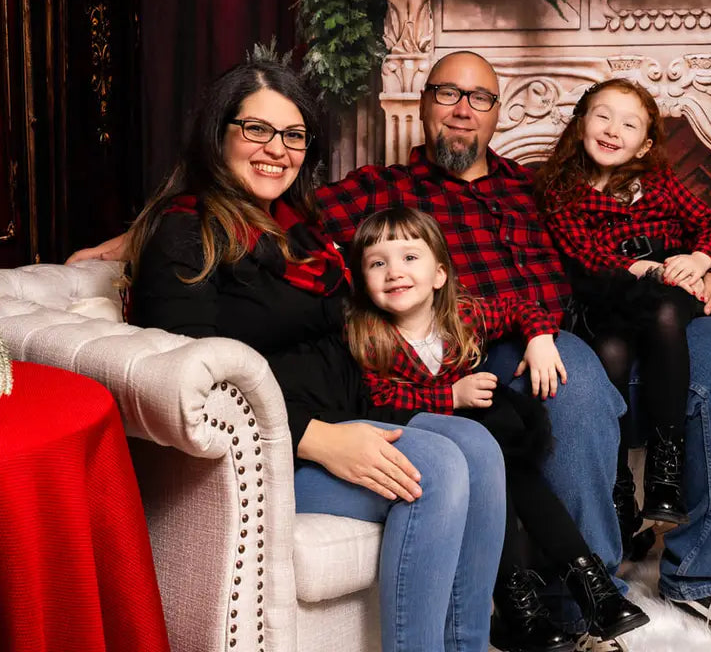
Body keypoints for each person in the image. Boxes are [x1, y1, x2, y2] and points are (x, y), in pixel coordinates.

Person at [71, 51, 711, 649]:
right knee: (563, 381)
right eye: (449, 93)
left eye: (481, 97)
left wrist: (710, 262)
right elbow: (228, 226)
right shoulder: (380, 192)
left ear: (499, 112)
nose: (464, 109)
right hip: (488, 345)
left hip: (598, 320)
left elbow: (617, 233)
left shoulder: (536, 187)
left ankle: (705, 577)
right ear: (425, 106)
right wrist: (126, 244)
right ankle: (578, 604)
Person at [127, 61, 506, 652]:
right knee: (437, 469)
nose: (277, 149)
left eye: (294, 135)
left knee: (479, 448)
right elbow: (181, 379)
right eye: (256, 130)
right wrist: (314, 438)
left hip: (350, 411)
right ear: (217, 132)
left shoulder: (298, 229)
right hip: (269, 457)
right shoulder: (187, 233)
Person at [346, 206, 649, 651]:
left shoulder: (463, 317)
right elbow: (378, 401)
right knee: (495, 462)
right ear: (364, 280)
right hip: (425, 444)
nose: (395, 272)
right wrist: (450, 397)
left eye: (410, 258)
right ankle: (524, 604)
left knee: (510, 463)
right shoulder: (368, 337)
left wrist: (539, 339)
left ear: (439, 274)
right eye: (378, 263)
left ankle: (591, 589)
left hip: (482, 445)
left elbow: (524, 308)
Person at [533, 78, 711, 537]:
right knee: (610, 351)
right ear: (581, 123)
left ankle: (667, 469)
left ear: (644, 146)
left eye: (628, 124)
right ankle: (619, 484)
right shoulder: (561, 191)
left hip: (668, 288)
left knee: (665, 310)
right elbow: (585, 256)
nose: (612, 129)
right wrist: (643, 269)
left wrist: (699, 260)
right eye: (602, 116)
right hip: (609, 292)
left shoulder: (658, 183)